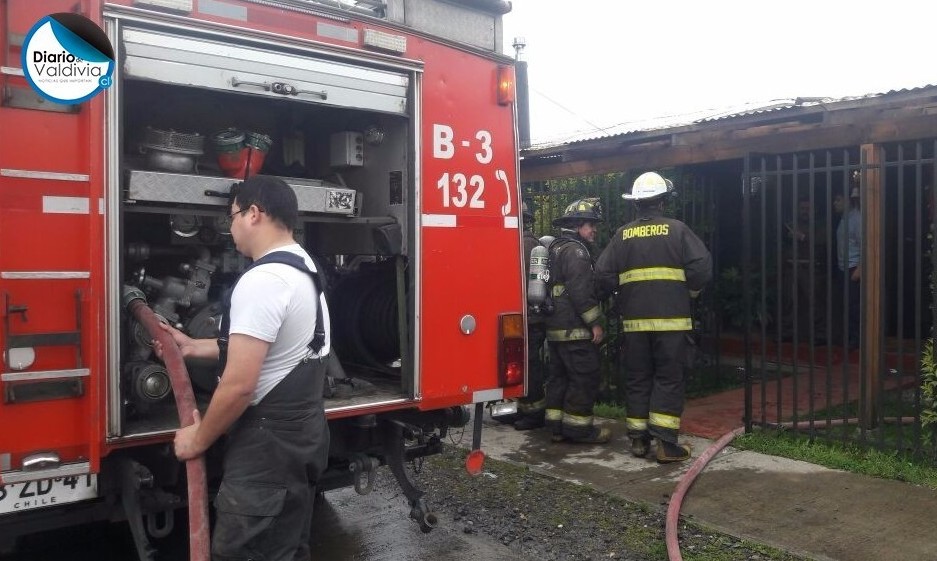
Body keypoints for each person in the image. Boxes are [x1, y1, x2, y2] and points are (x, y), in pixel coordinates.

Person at [155, 175, 330, 561]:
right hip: (302, 436)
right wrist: (191, 346)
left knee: (244, 552)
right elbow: (273, 349)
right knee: (284, 547)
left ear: (254, 213)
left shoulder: (264, 280)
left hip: (267, 452)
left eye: (231, 215)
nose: (229, 226)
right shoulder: (302, 266)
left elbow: (238, 386)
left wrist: (198, 439)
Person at [596, 172, 711, 463]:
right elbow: (701, 268)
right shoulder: (678, 230)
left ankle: (638, 439)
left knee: (637, 378)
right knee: (669, 378)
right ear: (662, 202)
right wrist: (691, 293)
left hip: (633, 325)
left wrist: (625, 294)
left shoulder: (622, 235)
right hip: (672, 323)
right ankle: (666, 443)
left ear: (637, 204)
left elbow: (603, 273)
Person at [543, 198, 610, 444]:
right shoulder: (577, 251)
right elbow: (581, 291)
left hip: (556, 330)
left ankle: (557, 427)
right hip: (575, 330)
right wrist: (595, 322)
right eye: (590, 225)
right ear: (577, 225)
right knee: (585, 377)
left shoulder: (554, 248)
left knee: (560, 377)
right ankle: (580, 429)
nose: (594, 230)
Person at [515, 201, 548, 430]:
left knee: (529, 366)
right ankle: (525, 408)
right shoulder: (533, 245)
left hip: (527, 318)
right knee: (527, 364)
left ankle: (534, 413)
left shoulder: (521, 245)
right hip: (532, 317)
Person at [782, 197, 828, 343]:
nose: (804, 212)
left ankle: (820, 335)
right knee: (789, 301)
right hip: (791, 267)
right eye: (802, 209)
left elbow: (823, 240)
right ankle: (787, 332)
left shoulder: (820, 224)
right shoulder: (792, 224)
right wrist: (788, 236)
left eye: (807, 209)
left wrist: (802, 237)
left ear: (814, 210)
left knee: (814, 302)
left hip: (810, 268)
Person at [834, 185, 861, 349]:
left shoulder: (857, 219)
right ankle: (849, 337)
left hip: (853, 268)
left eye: (838, 200)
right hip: (843, 268)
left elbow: (864, 244)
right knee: (846, 305)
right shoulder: (843, 219)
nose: (834, 203)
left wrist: (860, 268)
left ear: (848, 201)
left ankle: (856, 339)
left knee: (854, 307)